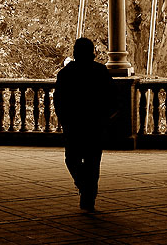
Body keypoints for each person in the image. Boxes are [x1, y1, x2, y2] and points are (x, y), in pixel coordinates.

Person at [54, 38, 118, 211]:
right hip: (94, 124)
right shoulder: (100, 71)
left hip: (74, 124)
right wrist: (107, 118)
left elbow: (58, 100)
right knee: (92, 161)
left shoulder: (67, 73)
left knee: (72, 158)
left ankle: (84, 187)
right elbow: (112, 98)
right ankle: (89, 194)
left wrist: (63, 118)